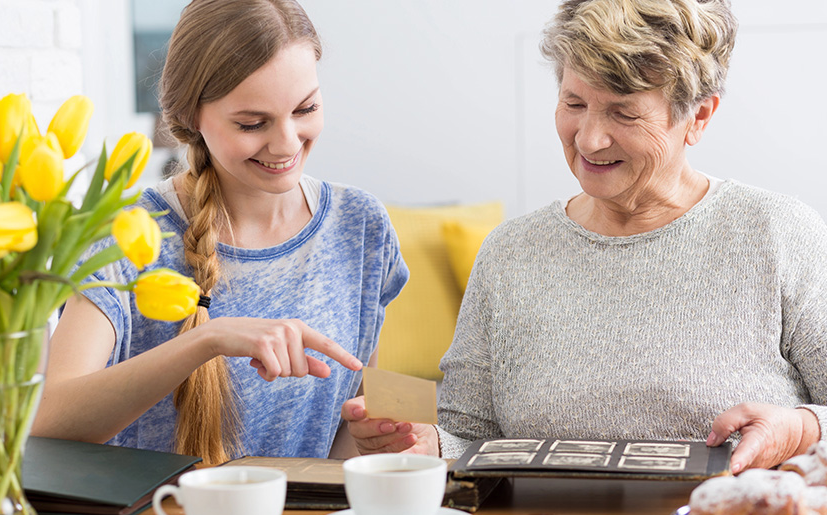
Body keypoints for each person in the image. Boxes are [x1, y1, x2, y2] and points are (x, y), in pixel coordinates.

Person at [343, 0, 827, 474]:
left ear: (697, 117)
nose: (589, 139)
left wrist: (803, 428)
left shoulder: (777, 233)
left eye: (624, 113)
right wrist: (425, 443)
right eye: (574, 103)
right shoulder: (511, 253)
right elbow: (470, 438)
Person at [32, 0, 408, 465]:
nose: (287, 143)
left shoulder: (362, 226)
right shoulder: (127, 234)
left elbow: (346, 436)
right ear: (192, 118)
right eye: (253, 123)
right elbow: (48, 421)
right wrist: (205, 340)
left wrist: (382, 432)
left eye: (305, 108)